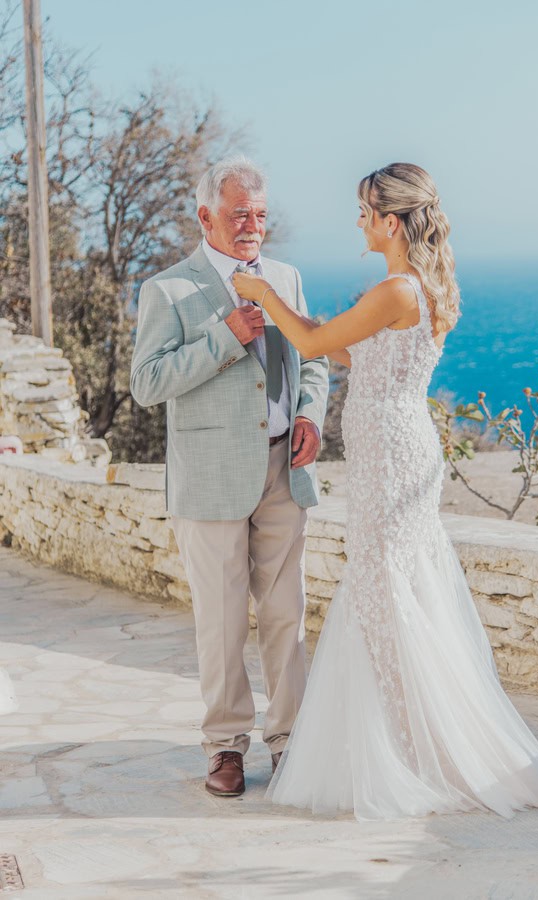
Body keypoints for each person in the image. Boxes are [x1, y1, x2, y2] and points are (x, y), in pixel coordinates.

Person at [232, 162, 538, 820]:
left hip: (391, 460)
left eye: (367, 213)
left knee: (382, 589)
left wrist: (262, 290)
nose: (359, 223)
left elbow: (315, 342)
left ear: (392, 222)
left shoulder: (398, 290)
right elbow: (349, 352)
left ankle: (411, 747)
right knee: (389, 586)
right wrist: (306, 321)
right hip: (397, 448)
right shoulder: (417, 286)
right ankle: (409, 737)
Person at [131, 156, 329, 797]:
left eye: (261, 214)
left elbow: (315, 359)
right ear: (206, 216)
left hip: (283, 469)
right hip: (211, 479)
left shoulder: (286, 278)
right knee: (220, 622)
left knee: (286, 616)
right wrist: (223, 335)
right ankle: (225, 747)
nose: (253, 226)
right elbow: (147, 383)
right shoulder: (169, 290)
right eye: (240, 213)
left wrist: (309, 415)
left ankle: (292, 741)